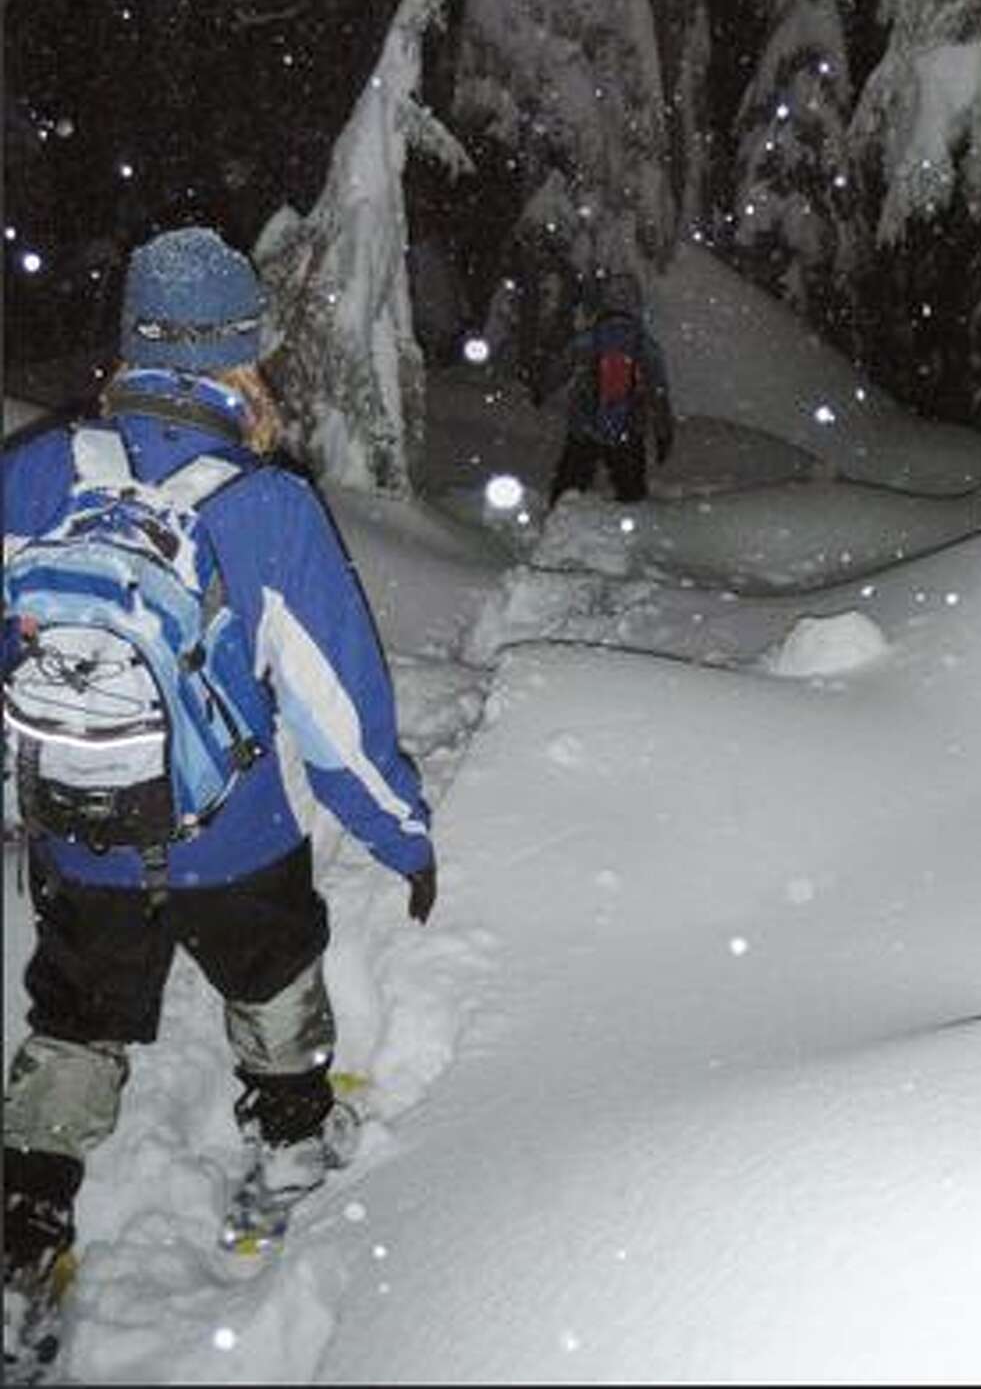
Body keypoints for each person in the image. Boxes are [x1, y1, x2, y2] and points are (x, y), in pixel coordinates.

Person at [2, 226, 437, 1339]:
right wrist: (399, 832)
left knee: (74, 1020)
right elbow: (336, 714)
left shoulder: (37, 472)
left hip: (81, 829)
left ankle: (24, 1233)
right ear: (239, 352)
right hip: (234, 837)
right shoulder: (265, 506)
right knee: (275, 974)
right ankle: (289, 1148)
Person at [537, 271, 675, 506]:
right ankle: (632, 531)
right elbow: (658, 393)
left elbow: (559, 371)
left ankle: (557, 526)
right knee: (631, 493)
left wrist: (540, 391)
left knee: (568, 486)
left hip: (585, 426)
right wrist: (663, 434)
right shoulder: (645, 346)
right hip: (629, 430)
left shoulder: (588, 339)